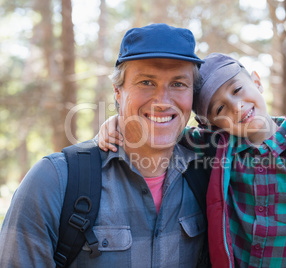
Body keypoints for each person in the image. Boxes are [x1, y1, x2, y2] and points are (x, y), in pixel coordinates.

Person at [99, 53, 286, 267]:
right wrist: (120, 122)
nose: (236, 106)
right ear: (211, 124)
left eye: (237, 89)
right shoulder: (215, 149)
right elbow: (162, 129)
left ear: (257, 81)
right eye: (220, 109)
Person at [0, 23, 209, 268]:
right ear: (118, 92)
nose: (162, 101)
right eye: (146, 82)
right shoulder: (54, 181)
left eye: (178, 84)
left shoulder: (209, 173)